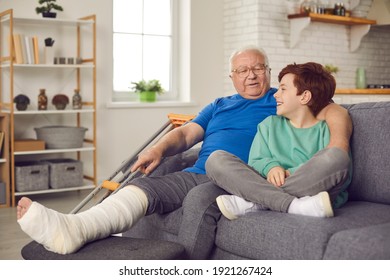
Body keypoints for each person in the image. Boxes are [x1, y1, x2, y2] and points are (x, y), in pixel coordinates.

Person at [16, 46, 352, 259]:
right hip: (199, 172)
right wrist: (158, 149)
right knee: (144, 185)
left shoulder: (280, 100)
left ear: (267, 70)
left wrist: (337, 146)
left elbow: (331, 110)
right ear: (232, 76)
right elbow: (187, 134)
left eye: (259, 68)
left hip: (239, 179)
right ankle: (76, 228)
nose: (252, 75)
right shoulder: (220, 105)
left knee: (205, 191)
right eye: (243, 70)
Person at [206, 62, 352, 220]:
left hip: (310, 188)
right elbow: (256, 160)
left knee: (337, 157)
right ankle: (294, 205)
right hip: (279, 186)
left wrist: (289, 173)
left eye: (283, 89)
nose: (276, 94)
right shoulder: (269, 125)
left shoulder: (325, 129)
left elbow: (338, 174)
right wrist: (271, 167)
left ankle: (258, 202)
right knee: (216, 159)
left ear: (304, 96)